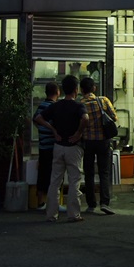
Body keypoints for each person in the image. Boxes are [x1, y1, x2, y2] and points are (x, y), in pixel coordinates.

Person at [34, 74, 89, 223]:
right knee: (74, 181)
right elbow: (85, 118)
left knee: (55, 182)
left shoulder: (55, 106)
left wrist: (53, 129)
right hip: (73, 147)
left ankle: (51, 214)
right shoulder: (78, 106)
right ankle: (73, 214)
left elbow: (38, 118)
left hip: (58, 147)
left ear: (63, 90)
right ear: (76, 90)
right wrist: (78, 133)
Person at [79, 76, 117, 215]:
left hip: (88, 142)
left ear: (81, 90)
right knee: (104, 172)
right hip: (103, 141)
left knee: (88, 173)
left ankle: (91, 204)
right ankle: (105, 203)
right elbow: (114, 117)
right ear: (94, 88)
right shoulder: (103, 100)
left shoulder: (80, 104)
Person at [33, 82, 65, 212]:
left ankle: (41, 202)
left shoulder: (41, 105)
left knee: (43, 174)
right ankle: (54, 203)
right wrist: (52, 129)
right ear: (57, 92)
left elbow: (35, 119)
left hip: (42, 145)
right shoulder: (55, 107)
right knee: (55, 175)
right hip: (53, 145)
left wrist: (42, 130)